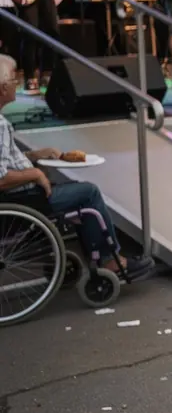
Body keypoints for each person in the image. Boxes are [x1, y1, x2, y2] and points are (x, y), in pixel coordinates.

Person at [0, 53, 154, 279]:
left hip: (20, 196)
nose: (17, 84)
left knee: (74, 189)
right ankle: (110, 260)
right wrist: (34, 173)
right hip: (22, 200)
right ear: (2, 88)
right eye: (14, 80)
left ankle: (95, 254)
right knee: (88, 193)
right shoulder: (0, 125)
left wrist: (34, 155)